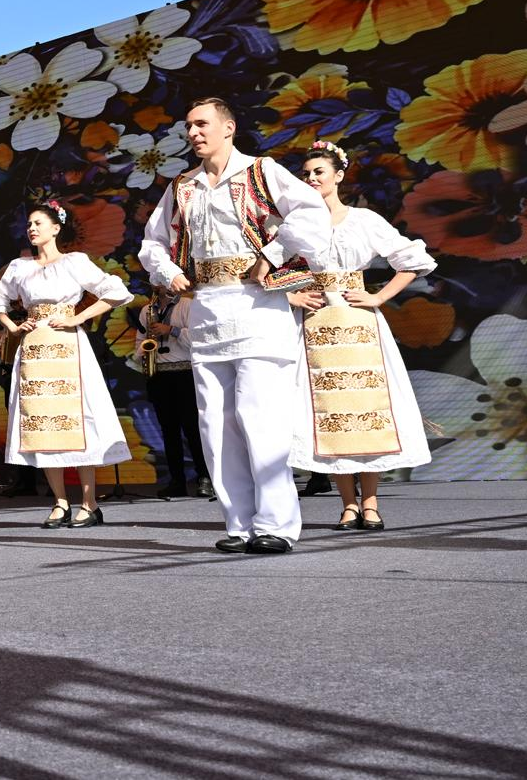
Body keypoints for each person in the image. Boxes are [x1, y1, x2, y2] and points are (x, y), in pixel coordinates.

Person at [139, 98, 331, 556]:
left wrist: (272, 254)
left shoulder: (261, 172)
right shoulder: (182, 186)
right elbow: (152, 242)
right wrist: (168, 273)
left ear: (229, 127)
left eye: (202, 123)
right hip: (208, 310)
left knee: (259, 417)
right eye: (188, 125)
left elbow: (310, 214)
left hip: (258, 308)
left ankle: (276, 525)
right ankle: (240, 523)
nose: (193, 132)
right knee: (216, 423)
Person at [285, 141, 436, 530]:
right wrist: (293, 294)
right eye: (306, 173)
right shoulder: (295, 224)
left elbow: (414, 261)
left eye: (319, 171)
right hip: (317, 328)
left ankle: (370, 504)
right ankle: (347, 504)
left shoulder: (364, 220)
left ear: (338, 175)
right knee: (332, 415)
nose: (312, 178)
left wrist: (379, 296)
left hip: (360, 326)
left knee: (368, 413)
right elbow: (266, 269)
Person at [0, 201, 134, 528]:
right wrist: (12, 327)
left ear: (56, 228)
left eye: (39, 223)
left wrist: (78, 316)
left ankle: (89, 503)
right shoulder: (20, 267)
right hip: (35, 350)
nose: (32, 229)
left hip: (68, 346)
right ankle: (60, 502)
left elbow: (115, 291)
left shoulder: (74, 262)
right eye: (29, 225)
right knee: (43, 425)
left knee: (78, 420)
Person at [137, 293, 210, 500]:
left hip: (185, 373)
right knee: (169, 432)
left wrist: (171, 330)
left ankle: (205, 478)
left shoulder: (187, 305)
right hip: (159, 374)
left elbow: (199, 338)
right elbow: (139, 341)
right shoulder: (147, 310)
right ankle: (176, 480)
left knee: (193, 428)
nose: (158, 284)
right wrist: (145, 347)